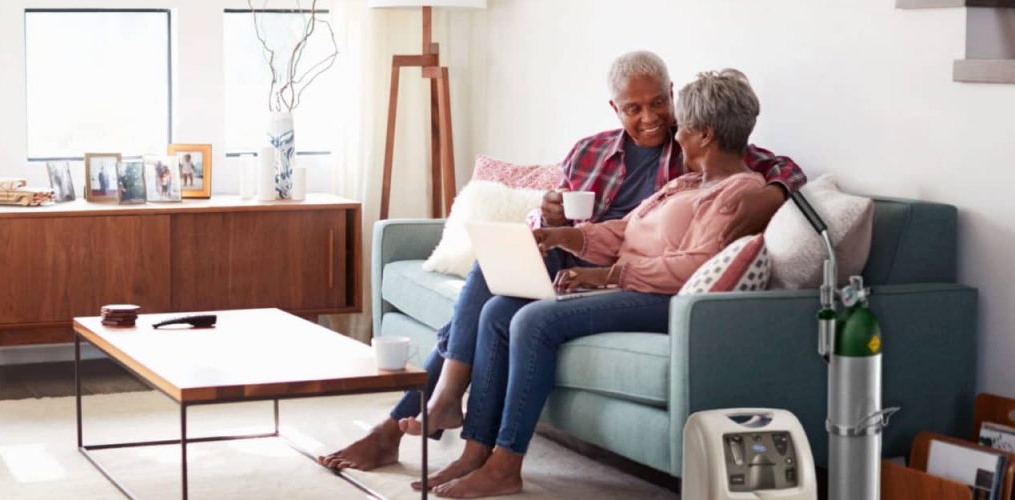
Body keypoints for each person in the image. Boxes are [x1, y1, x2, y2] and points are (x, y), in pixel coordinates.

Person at [316, 50, 806, 482]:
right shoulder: (593, 151)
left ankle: (422, 419)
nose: (653, 118)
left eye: (660, 103)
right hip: (579, 250)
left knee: (503, 306)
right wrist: (549, 221)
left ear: (675, 100)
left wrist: (776, 191)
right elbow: (594, 219)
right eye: (634, 108)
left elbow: (768, 165)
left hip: (626, 269)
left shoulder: (695, 158)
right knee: (496, 273)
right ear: (615, 109)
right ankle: (447, 415)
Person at [433, 68, 769, 497]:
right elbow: (622, 231)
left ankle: (506, 463)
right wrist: (565, 236)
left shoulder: (738, 192)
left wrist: (610, 274)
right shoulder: (687, 183)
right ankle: (475, 449)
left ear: (703, 134)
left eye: (681, 126)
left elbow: (695, 264)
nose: (674, 133)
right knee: (500, 311)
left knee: (532, 321)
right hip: (632, 288)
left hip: (663, 299)